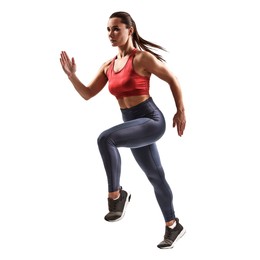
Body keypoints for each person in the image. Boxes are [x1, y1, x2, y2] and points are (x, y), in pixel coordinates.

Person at [60, 11, 186, 249]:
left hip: (150, 120)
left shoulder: (141, 58)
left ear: (130, 30)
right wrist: (71, 76)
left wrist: (180, 111)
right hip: (132, 124)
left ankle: (116, 196)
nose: (111, 34)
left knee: (106, 139)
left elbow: (172, 78)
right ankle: (173, 225)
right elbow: (87, 94)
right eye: (108, 29)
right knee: (156, 176)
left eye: (116, 28)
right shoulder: (108, 66)